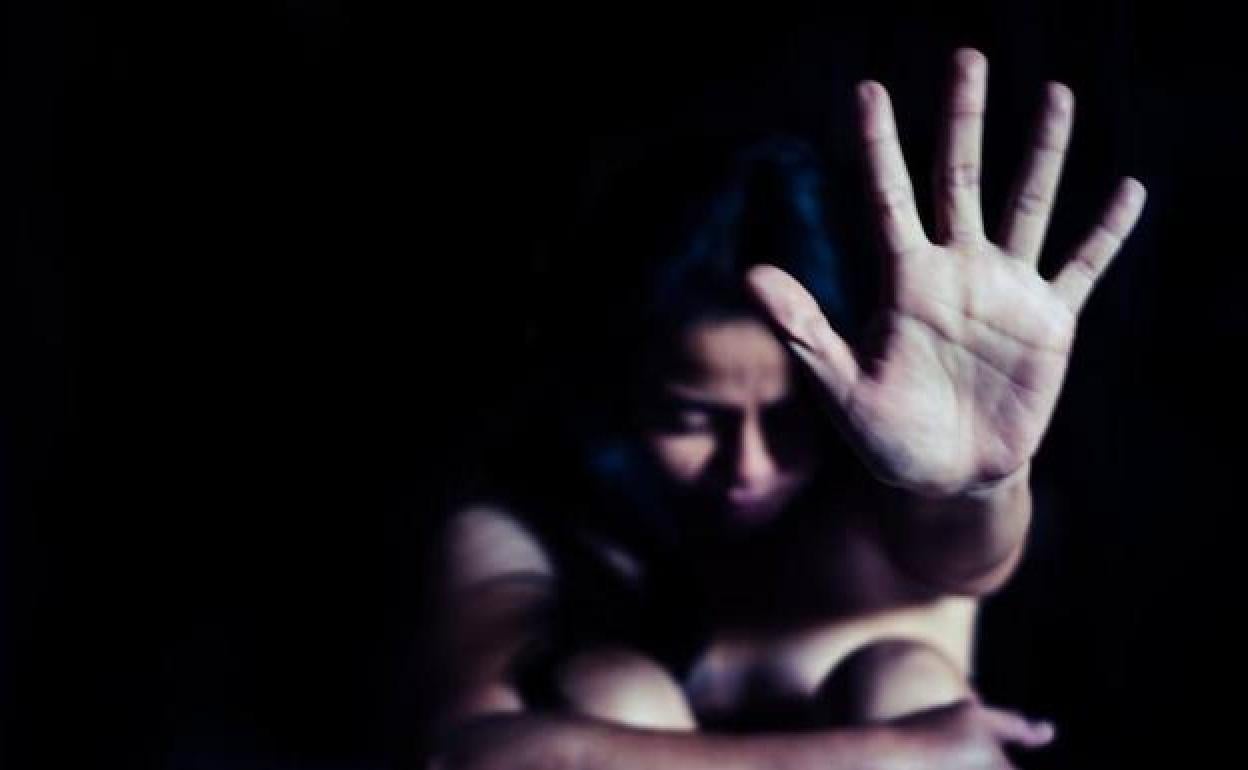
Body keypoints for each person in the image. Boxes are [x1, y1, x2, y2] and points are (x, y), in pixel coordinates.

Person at [423, 48, 1146, 770]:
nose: (749, 467)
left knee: (902, 676)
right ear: (620, 387)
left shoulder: (886, 504)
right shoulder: (540, 527)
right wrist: (891, 756)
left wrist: (981, 478)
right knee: (611, 688)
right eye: (691, 418)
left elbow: (968, 552)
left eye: (790, 418)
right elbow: (469, 752)